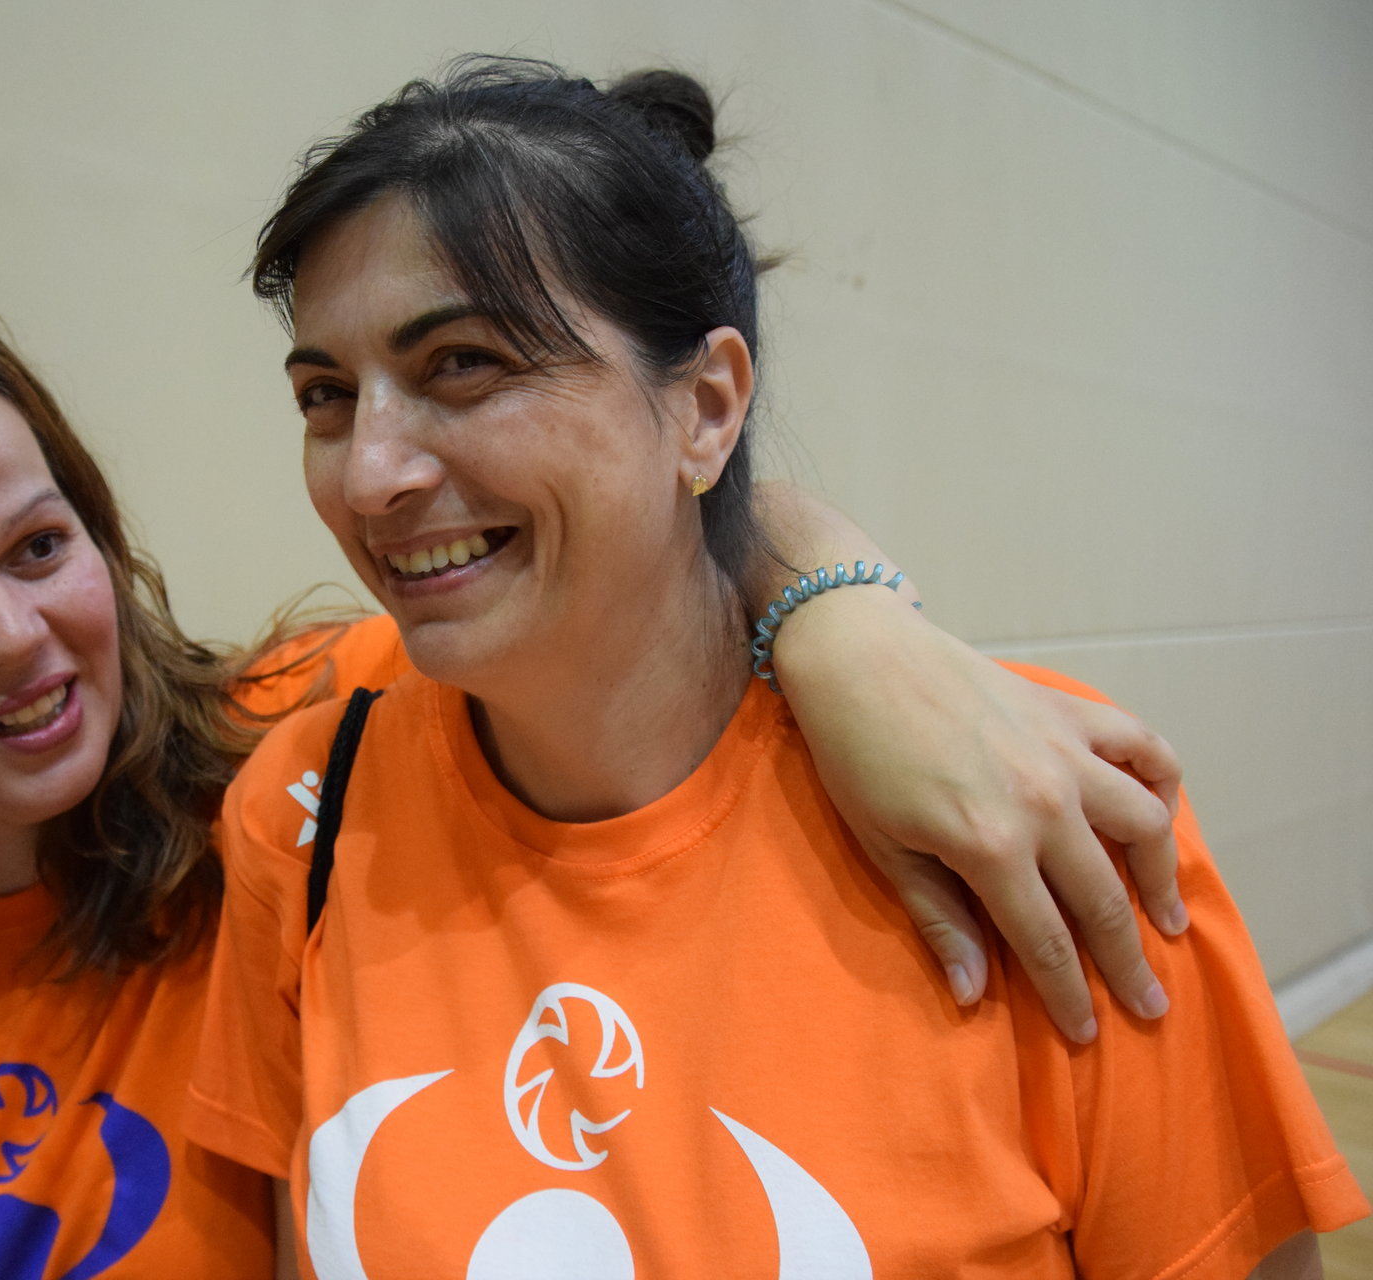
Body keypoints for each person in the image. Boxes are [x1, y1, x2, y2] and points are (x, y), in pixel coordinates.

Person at [0, 284, 1194, 1278]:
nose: (12, 636)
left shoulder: (299, 754)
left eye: (40, 547)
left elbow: (653, 539)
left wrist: (846, 618)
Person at [187, 60, 1368, 1278]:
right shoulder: (303, 812)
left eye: (465, 363)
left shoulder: (1030, 802)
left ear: (706, 406)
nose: (369, 472)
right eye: (326, 395)